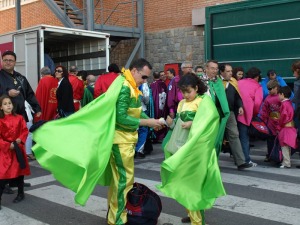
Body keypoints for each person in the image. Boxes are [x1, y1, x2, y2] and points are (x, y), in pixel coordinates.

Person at [31, 58, 165, 225]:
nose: (145, 81)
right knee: (124, 182)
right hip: (121, 141)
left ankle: (114, 216)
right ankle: (117, 220)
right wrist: (148, 122)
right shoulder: (125, 86)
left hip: (124, 140)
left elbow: (135, 111)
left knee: (119, 181)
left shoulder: (129, 85)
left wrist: (151, 120)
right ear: (135, 71)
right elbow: (121, 118)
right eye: (144, 77)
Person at [158, 73, 225, 225]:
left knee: (193, 184)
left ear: (196, 88)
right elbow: (177, 123)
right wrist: (169, 122)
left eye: (188, 91)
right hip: (181, 147)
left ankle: (197, 219)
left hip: (196, 149)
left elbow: (210, 122)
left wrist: (193, 124)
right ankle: (191, 212)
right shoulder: (181, 103)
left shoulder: (204, 101)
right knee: (184, 182)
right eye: (183, 91)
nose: (185, 94)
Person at [219, 64, 253, 170]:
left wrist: (240, 106)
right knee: (216, 137)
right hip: (218, 114)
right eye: (228, 71)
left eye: (231, 71)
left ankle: (241, 162)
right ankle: (211, 162)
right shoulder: (216, 82)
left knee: (234, 135)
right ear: (222, 72)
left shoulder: (233, 81)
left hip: (230, 113)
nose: (230, 73)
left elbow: (237, 96)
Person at [0, 95, 30, 209]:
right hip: (5, 151)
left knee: (19, 173)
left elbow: (24, 130)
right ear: (1, 107)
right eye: (5, 104)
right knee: (3, 175)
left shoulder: (19, 118)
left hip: (18, 149)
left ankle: (21, 193)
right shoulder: (1, 120)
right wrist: (7, 145)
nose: (8, 105)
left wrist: (20, 139)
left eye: (9, 103)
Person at [198, 60, 230, 156]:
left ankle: (211, 157)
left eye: (216, 69)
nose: (214, 71)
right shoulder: (199, 80)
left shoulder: (218, 81)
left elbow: (222, 98)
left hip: (215, 114)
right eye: (212, 68)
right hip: (202, 114)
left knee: (214, 138)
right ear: (206, 68)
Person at [0, 51, 41, 122]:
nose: (8, 62)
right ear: (2, 62)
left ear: (15, 62)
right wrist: (7, 93)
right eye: (5, 60)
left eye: (10, 60)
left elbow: (30, 94)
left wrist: (37, 108)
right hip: (4, 117)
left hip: (21, 115)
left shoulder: (21, 77)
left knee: (23, 132)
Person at [237, 67, 263, 165]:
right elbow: (257, 103)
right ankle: (246, 159)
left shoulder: (239, 82)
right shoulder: (258, 87)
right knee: (244, 137)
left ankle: (238, 158)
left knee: (236, 137)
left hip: (234, 112)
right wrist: (254, 114)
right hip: (246, 114)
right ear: (256, 76)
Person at [276, 86, 297, 168]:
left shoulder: (283, 105)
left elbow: (283, 117)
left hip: (285, 128)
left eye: (279, 94)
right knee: (288, 146)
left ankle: (286, 162)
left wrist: (278, 127)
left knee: (284, 145)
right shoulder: (289, 103)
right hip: (291, 127)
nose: (278, 96)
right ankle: (287, 161)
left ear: (282, 94)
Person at [260, 80, 281, 162]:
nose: (268, 90)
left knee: (279, 140)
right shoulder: (268, 98)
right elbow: (264, 110)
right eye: (268, 89)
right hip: (270, 123)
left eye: (270, 89)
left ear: (276, 88)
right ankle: (269, 155)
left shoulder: (281, 96)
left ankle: (279, 155)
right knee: (270, 140)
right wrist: (263, 119)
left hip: (279, 122)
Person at [150, 71, 168, 142]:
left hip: (154, 105)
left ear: (153, 77)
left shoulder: (151, 84)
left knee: (155, 119)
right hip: (162, 105)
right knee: (162, 119)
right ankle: (161, 135)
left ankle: (154, 135)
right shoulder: (163, 84)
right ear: (159, 76)